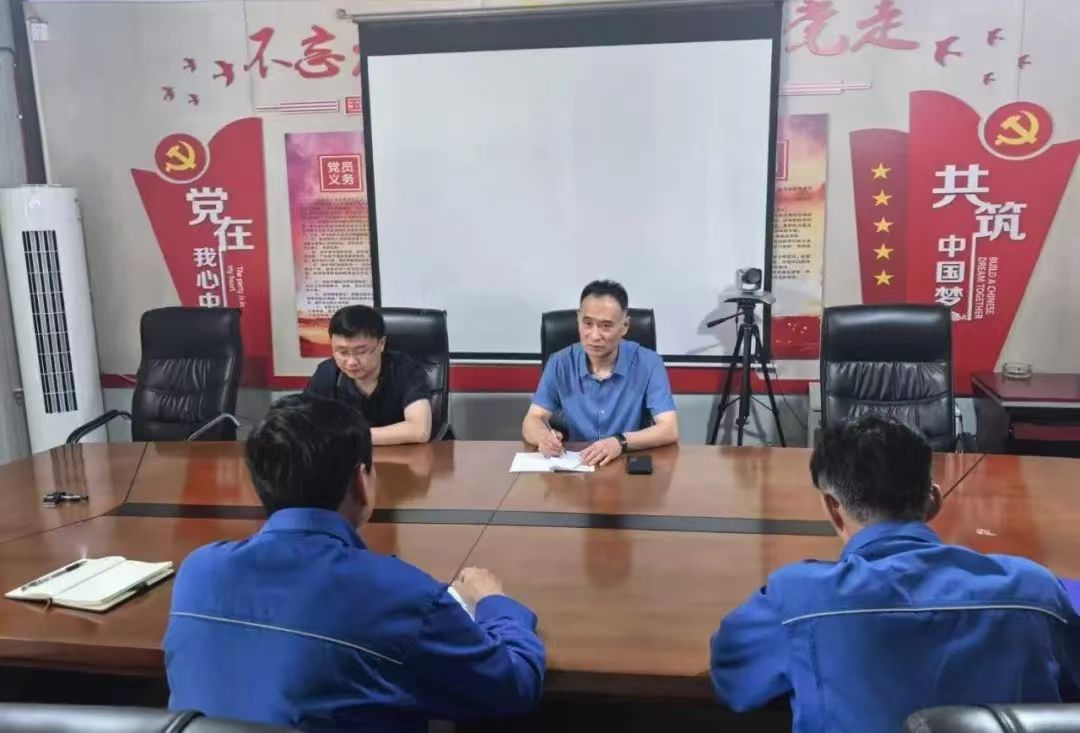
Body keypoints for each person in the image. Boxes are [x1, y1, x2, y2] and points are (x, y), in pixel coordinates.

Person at [165, 395, 545, 731]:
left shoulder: (198, 572)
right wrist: (494, 603)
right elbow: (513, 685)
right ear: (362, 482)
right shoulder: (399, 595)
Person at [710, 416, 1080, 733]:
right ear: (934, 499)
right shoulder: (1036, 592)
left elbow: (732, 679)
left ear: (832, 508)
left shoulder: (798, 600)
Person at [522, 280, 678, 467]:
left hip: (626, 464)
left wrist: (619, 442)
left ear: (625, 326)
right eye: (587, 323)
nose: (594, 336)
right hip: (578, 466)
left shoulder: (650, 363)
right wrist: (544, 438)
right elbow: (533, 419)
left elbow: (669, 429)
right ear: (578, 319)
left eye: (606, 326)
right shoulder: (560, 363)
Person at [306, 305, 433, 445]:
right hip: (346, 457)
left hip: (403, 456)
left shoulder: (405, 369)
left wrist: (349, 437)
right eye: (342, 352)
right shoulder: (326, 373)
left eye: (361, 352)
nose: (351, 362)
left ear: (381, 344)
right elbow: (304, 424)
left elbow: (419, 430)